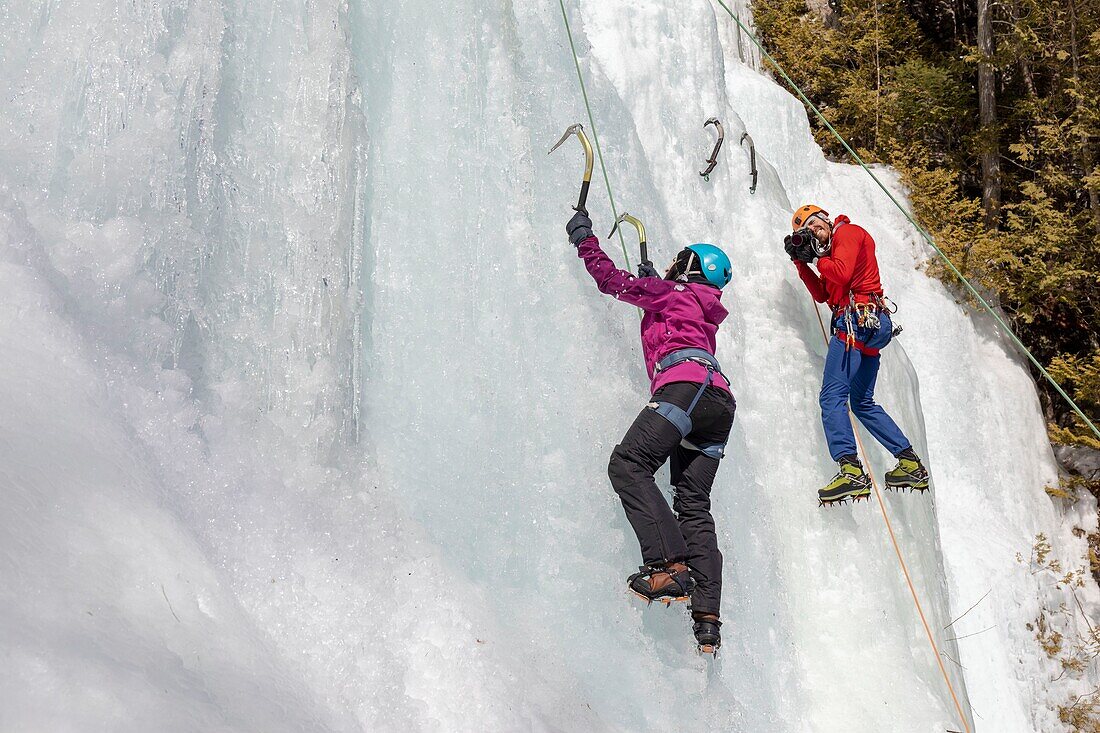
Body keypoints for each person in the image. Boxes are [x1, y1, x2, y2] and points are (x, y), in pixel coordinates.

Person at [567, 209, 736, 654]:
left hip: (685, 387)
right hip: (718, 402)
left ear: (689, 268)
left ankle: (668, 565)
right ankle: (707, 616)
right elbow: (664, 325)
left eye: (679, 261)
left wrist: (586, 240)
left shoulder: (674, 290)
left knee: (628, 465)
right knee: (694, 503)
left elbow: (611, 281)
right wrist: (654, 290)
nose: (671, 266)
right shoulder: (702, 307)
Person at [785, 204, 931, 505]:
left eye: (814, 224)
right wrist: (802, 265)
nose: (813, 231)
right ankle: (909, 463)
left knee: (831, 397)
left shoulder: (848, 233)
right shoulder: (829, 254)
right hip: (868, 326)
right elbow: (823, 295)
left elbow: (842, 273)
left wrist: (815, 258)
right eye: (806, 230)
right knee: (862, 402)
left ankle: (850, 469)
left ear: (826, 219)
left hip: (855, 322)